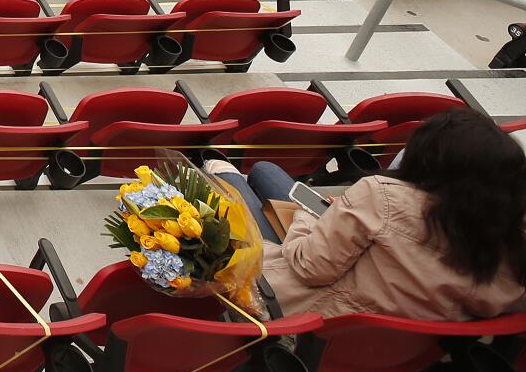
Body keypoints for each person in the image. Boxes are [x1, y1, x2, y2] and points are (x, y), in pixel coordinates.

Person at [208, 108, 525, 320]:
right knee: (266, 171)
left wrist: (309, 217)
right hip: (386, 336)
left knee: (220, 172)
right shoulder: (509, 242)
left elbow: (308, 268)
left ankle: (217, 165)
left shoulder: (381, 196)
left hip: (296, 303)